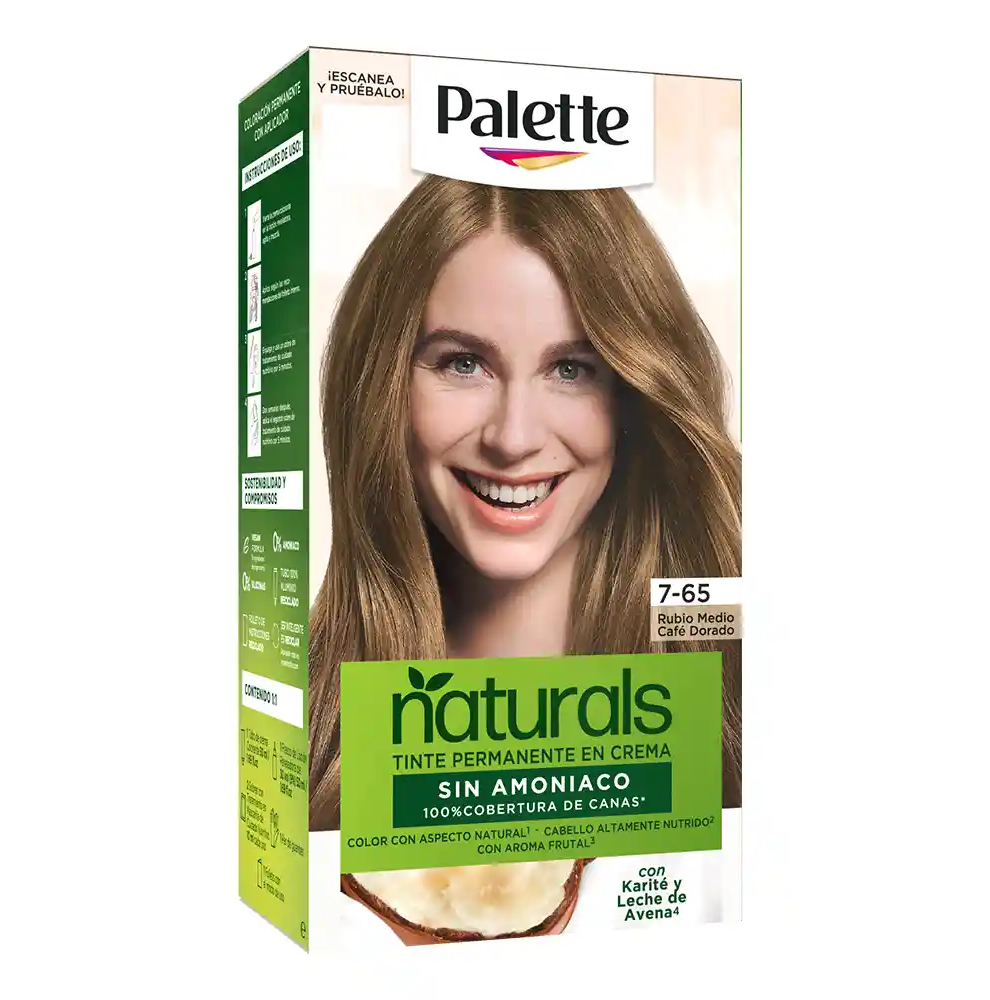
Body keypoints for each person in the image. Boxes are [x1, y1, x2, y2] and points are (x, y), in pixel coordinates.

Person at [309, 175, 741, 833]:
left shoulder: (737, 701)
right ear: (381, 386)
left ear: (633, 396)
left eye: (571, 370)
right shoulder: (295, 724)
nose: (513, 439)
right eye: (463, 363)